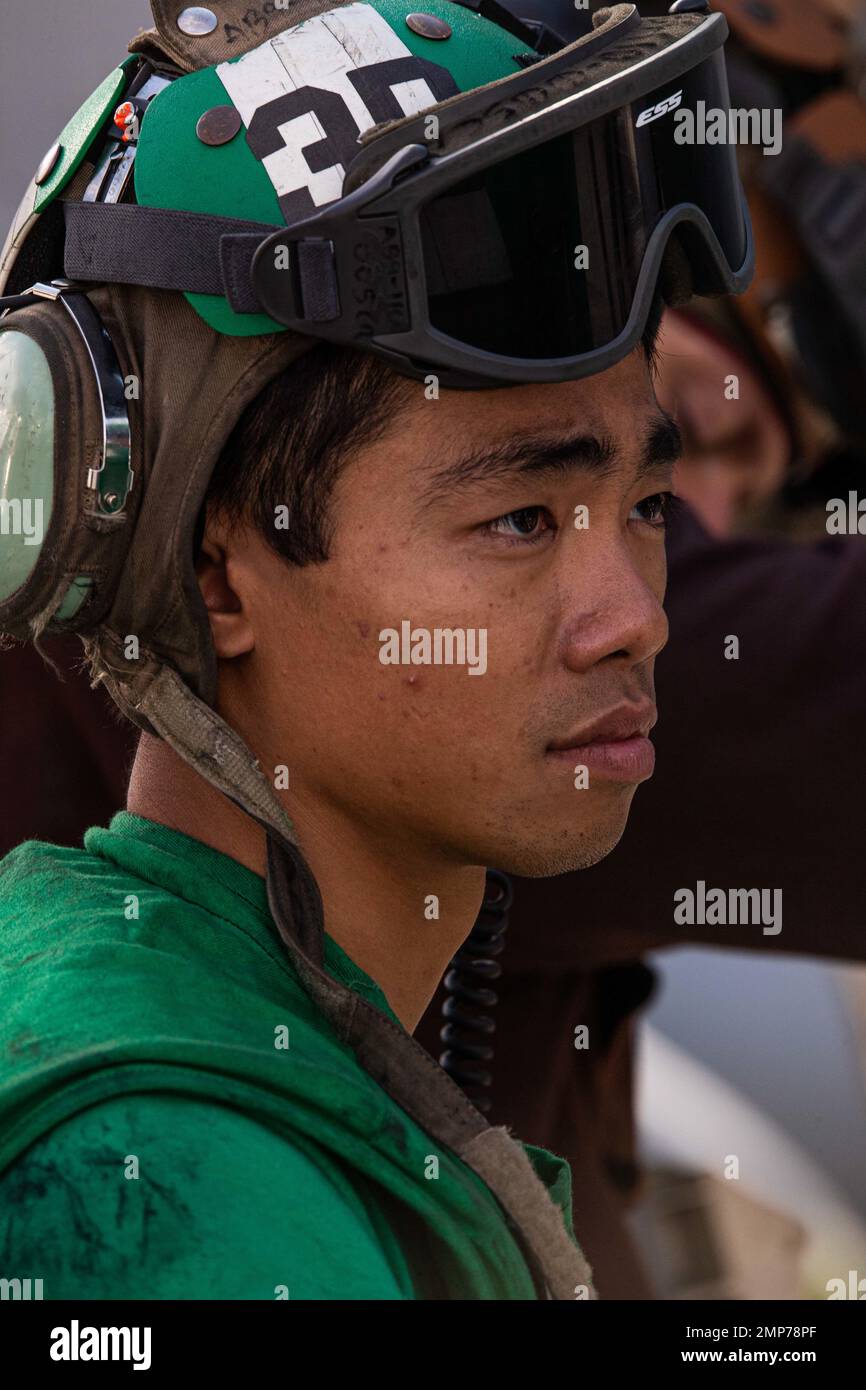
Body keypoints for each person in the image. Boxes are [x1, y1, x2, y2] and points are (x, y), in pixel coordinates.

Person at [0, 0, 751, 1299]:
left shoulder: (130, 991)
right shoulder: (171, 1191)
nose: (636, 613)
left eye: (643, 506)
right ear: (214, 572)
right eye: (518, 518)